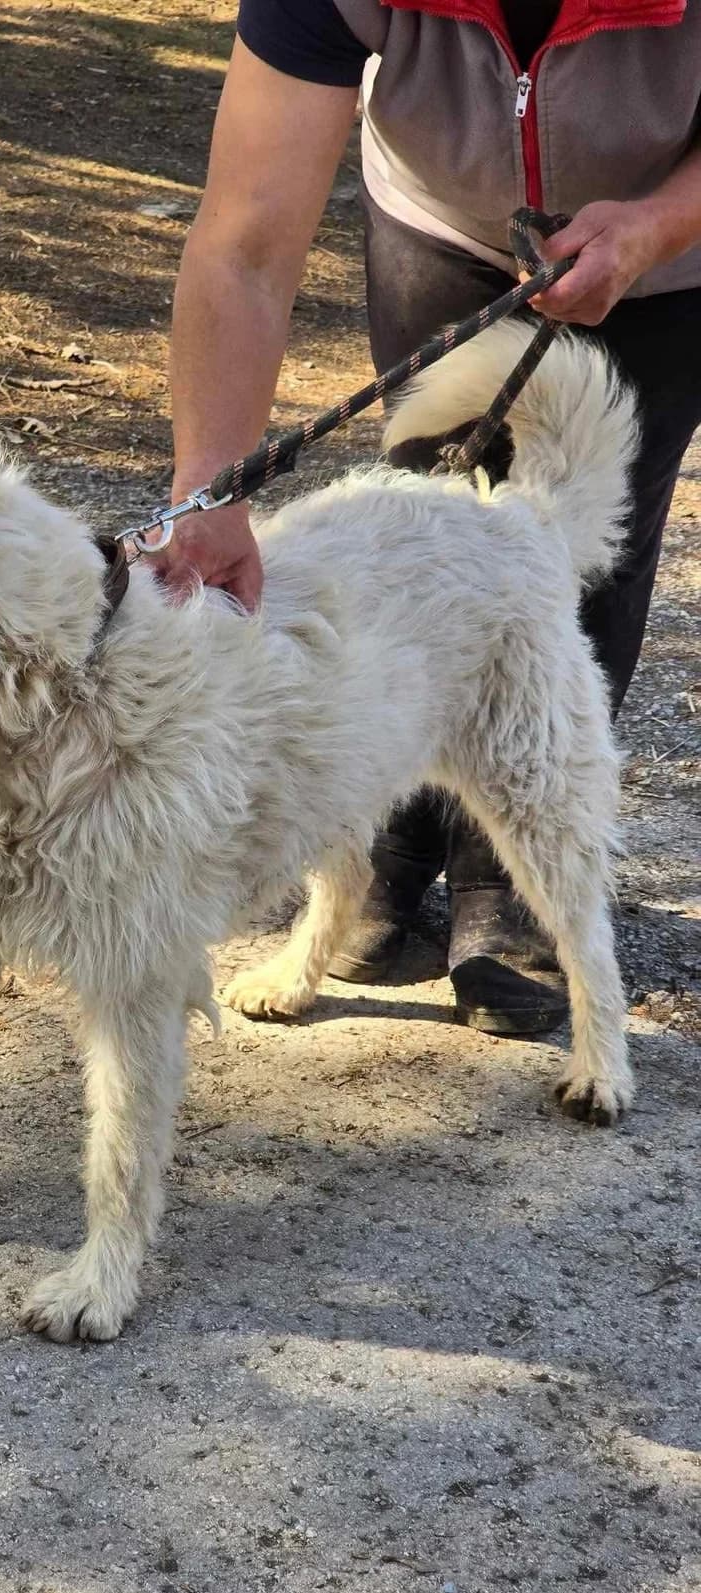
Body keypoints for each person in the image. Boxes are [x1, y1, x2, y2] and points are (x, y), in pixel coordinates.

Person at [161, 0, 701, 1035]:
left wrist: (649, 230)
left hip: (673, 249)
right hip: (443, 214)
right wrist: (209, 493)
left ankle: (508, 891)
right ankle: (383, 860)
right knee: (419, 531)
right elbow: (243, 240)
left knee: (584, 552)